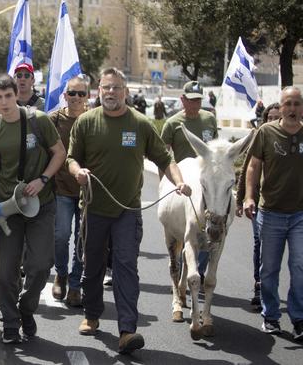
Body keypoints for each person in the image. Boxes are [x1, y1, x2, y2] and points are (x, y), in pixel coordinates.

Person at [67, 67, 191, 354]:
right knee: (93, 266)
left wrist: (180, 181)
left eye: (116, 88)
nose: (111, 93)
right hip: (95, 209)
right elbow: (71, 158)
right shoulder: (86, 122)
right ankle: (93, 314)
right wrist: (78, 171)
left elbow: (164, 158)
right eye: (106, 88)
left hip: (127, 211)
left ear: (126, 91)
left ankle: (127, 330)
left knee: (125, 268)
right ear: (99, 91)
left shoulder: (140, 124)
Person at [0, 73, 66, 344]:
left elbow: (59, 153)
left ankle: (26, 309)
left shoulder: (37, 120)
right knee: (5, 272)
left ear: (16, 94)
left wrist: (42, 180)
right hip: (8, 207)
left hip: (42, 204)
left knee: (40, 265)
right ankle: (9, 322)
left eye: (8, 96)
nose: (4, 102)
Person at [243, 86, 303, 340]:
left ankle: (300, 318)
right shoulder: (266, 132)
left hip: (301, 213)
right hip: (270, 214)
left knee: (300, 266)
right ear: (280, 107)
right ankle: (271, 316)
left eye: (296, 104)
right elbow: (253, 167)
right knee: (269, 269)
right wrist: (248, 196)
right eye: (287, 104)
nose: (291, 109)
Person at [161, 80, 218, 282]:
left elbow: (215, 151)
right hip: (182, 184)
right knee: (182, 234)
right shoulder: (172, 123)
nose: (195, 104)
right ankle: (184, 265)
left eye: (198, 100)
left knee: (206, 230)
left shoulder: (209, 119)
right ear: (183, 99)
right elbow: (163, 157)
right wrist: (165, 187)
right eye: (191, 100)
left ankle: (195, 270)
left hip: (204, 185)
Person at [49, 76, 89, 307]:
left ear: (87, 97)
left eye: (81, 94)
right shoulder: (54, 120)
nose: (76, 98)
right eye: (72, 93)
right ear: (65, 95)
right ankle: (61, 274)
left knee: (82, 241)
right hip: (61, 189)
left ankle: (75, 285)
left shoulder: (93, 119)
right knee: (61, 236)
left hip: (87, 192)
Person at [235, 102, 280, 308]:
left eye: (275, 117)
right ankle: (259, 286)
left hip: (289, 205)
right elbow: (247, 170)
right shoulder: (259, 137)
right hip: (262, 205)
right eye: (269, 117)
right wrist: (242, 199)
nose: (272, 121)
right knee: (259, 244)